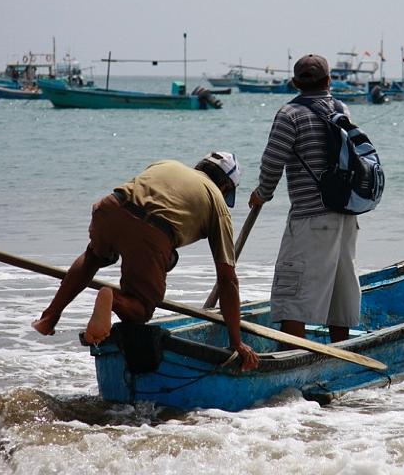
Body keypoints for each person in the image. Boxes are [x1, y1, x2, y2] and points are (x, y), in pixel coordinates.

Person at [32, 152, 259, 371]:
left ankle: (50, 316)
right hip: (150, 232)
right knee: (141, 310)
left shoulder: (167, 164)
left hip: (110, 208)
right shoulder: (217, 202)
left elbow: (135, 205)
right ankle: (112, 300)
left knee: (94, 256)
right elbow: (227, 280)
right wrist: (236, 342)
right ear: (226, 187)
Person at [249, 54, 361, 344]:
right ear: (329, 80)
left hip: (311, 219)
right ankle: (340, 354)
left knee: (293, 293)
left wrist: (262, 194)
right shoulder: (342, 109)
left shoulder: (290, 114)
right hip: (347, 214)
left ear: (296, 83)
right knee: (339, 290)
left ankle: (292, 357)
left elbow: (273, 161)